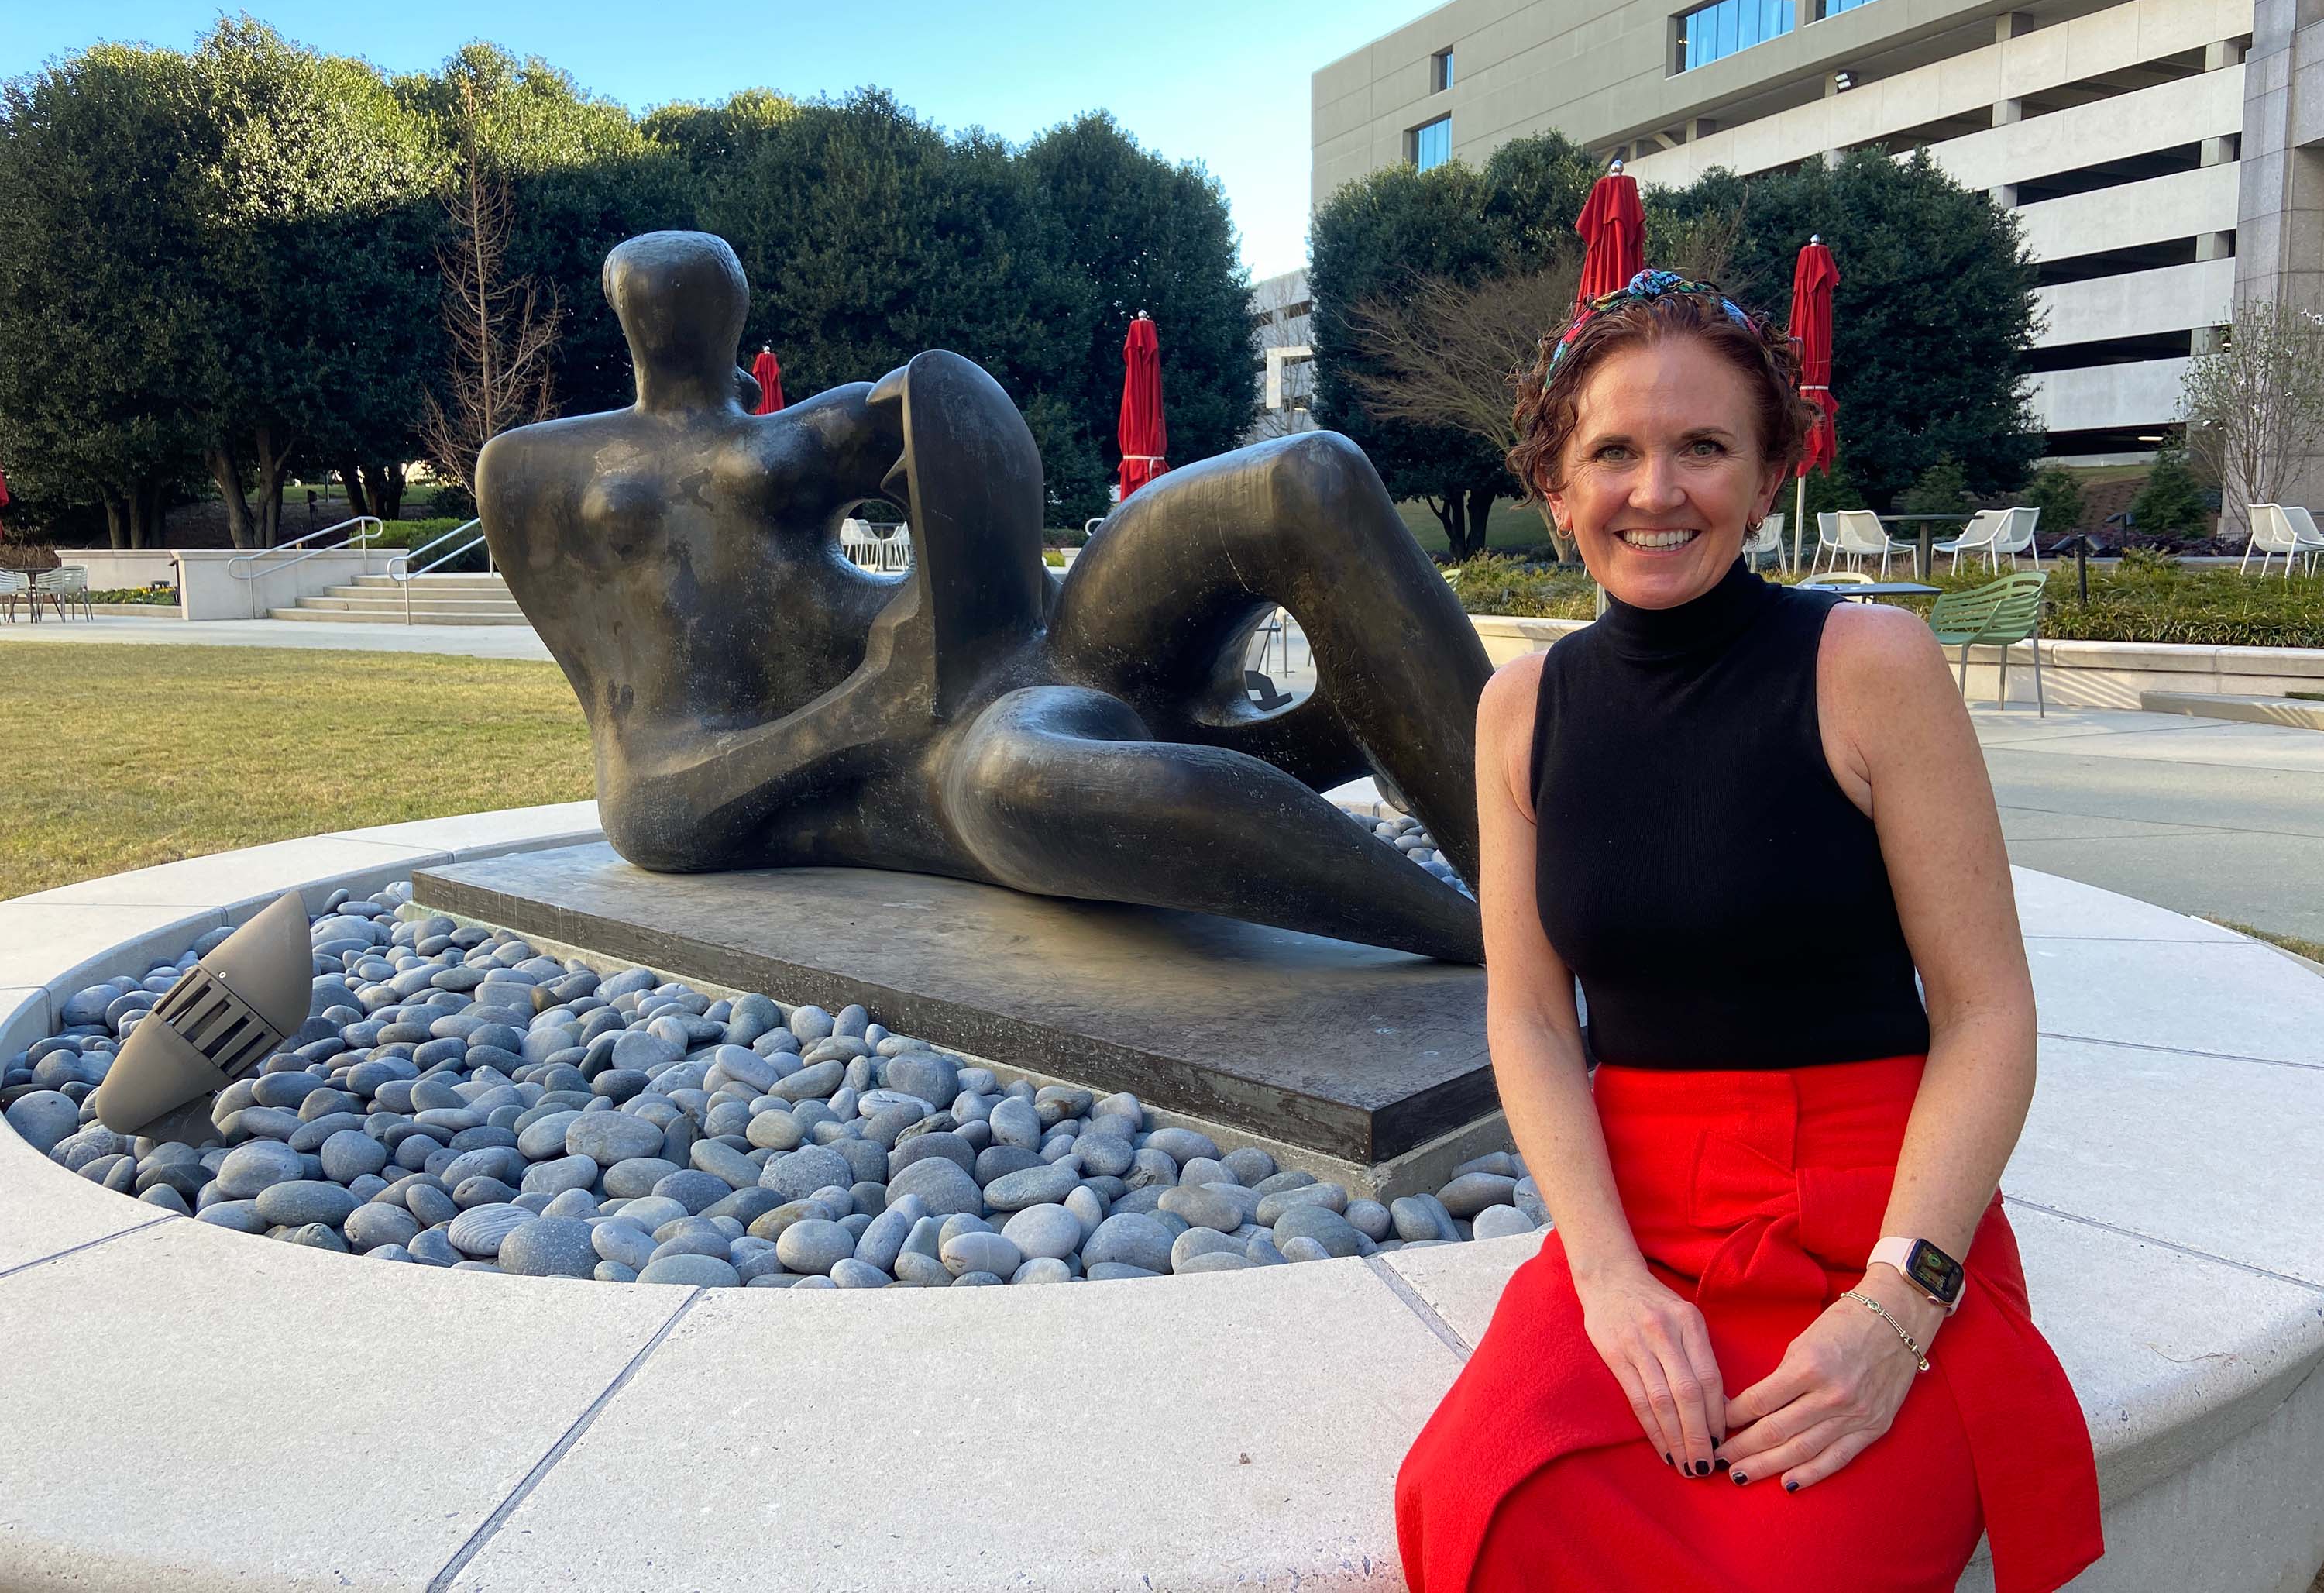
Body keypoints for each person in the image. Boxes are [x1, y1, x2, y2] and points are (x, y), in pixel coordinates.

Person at [1394, 270, 2102, 1591]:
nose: (1656, 490)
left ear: (1768, 473)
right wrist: (1605, 1279)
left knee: (1809, 1565)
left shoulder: (1872, 668)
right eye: (1613, 450)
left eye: (1703, 446)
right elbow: (1535, 1018)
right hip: (1640, 1220)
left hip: (1877, 1210)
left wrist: (1899, 1305)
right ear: (1556, 487)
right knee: (1472, 1501)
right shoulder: (1519, 708)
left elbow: (1989, 1012)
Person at [480, 231, 1492, 962]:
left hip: (1047, 640)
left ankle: (1526, 867)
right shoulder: (559, 484)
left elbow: (955, 452)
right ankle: (1475, 939)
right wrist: (864, 715)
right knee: (1031, 779)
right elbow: (654, 812)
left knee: (1301, 477)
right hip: (948, 760)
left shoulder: (801, 435)